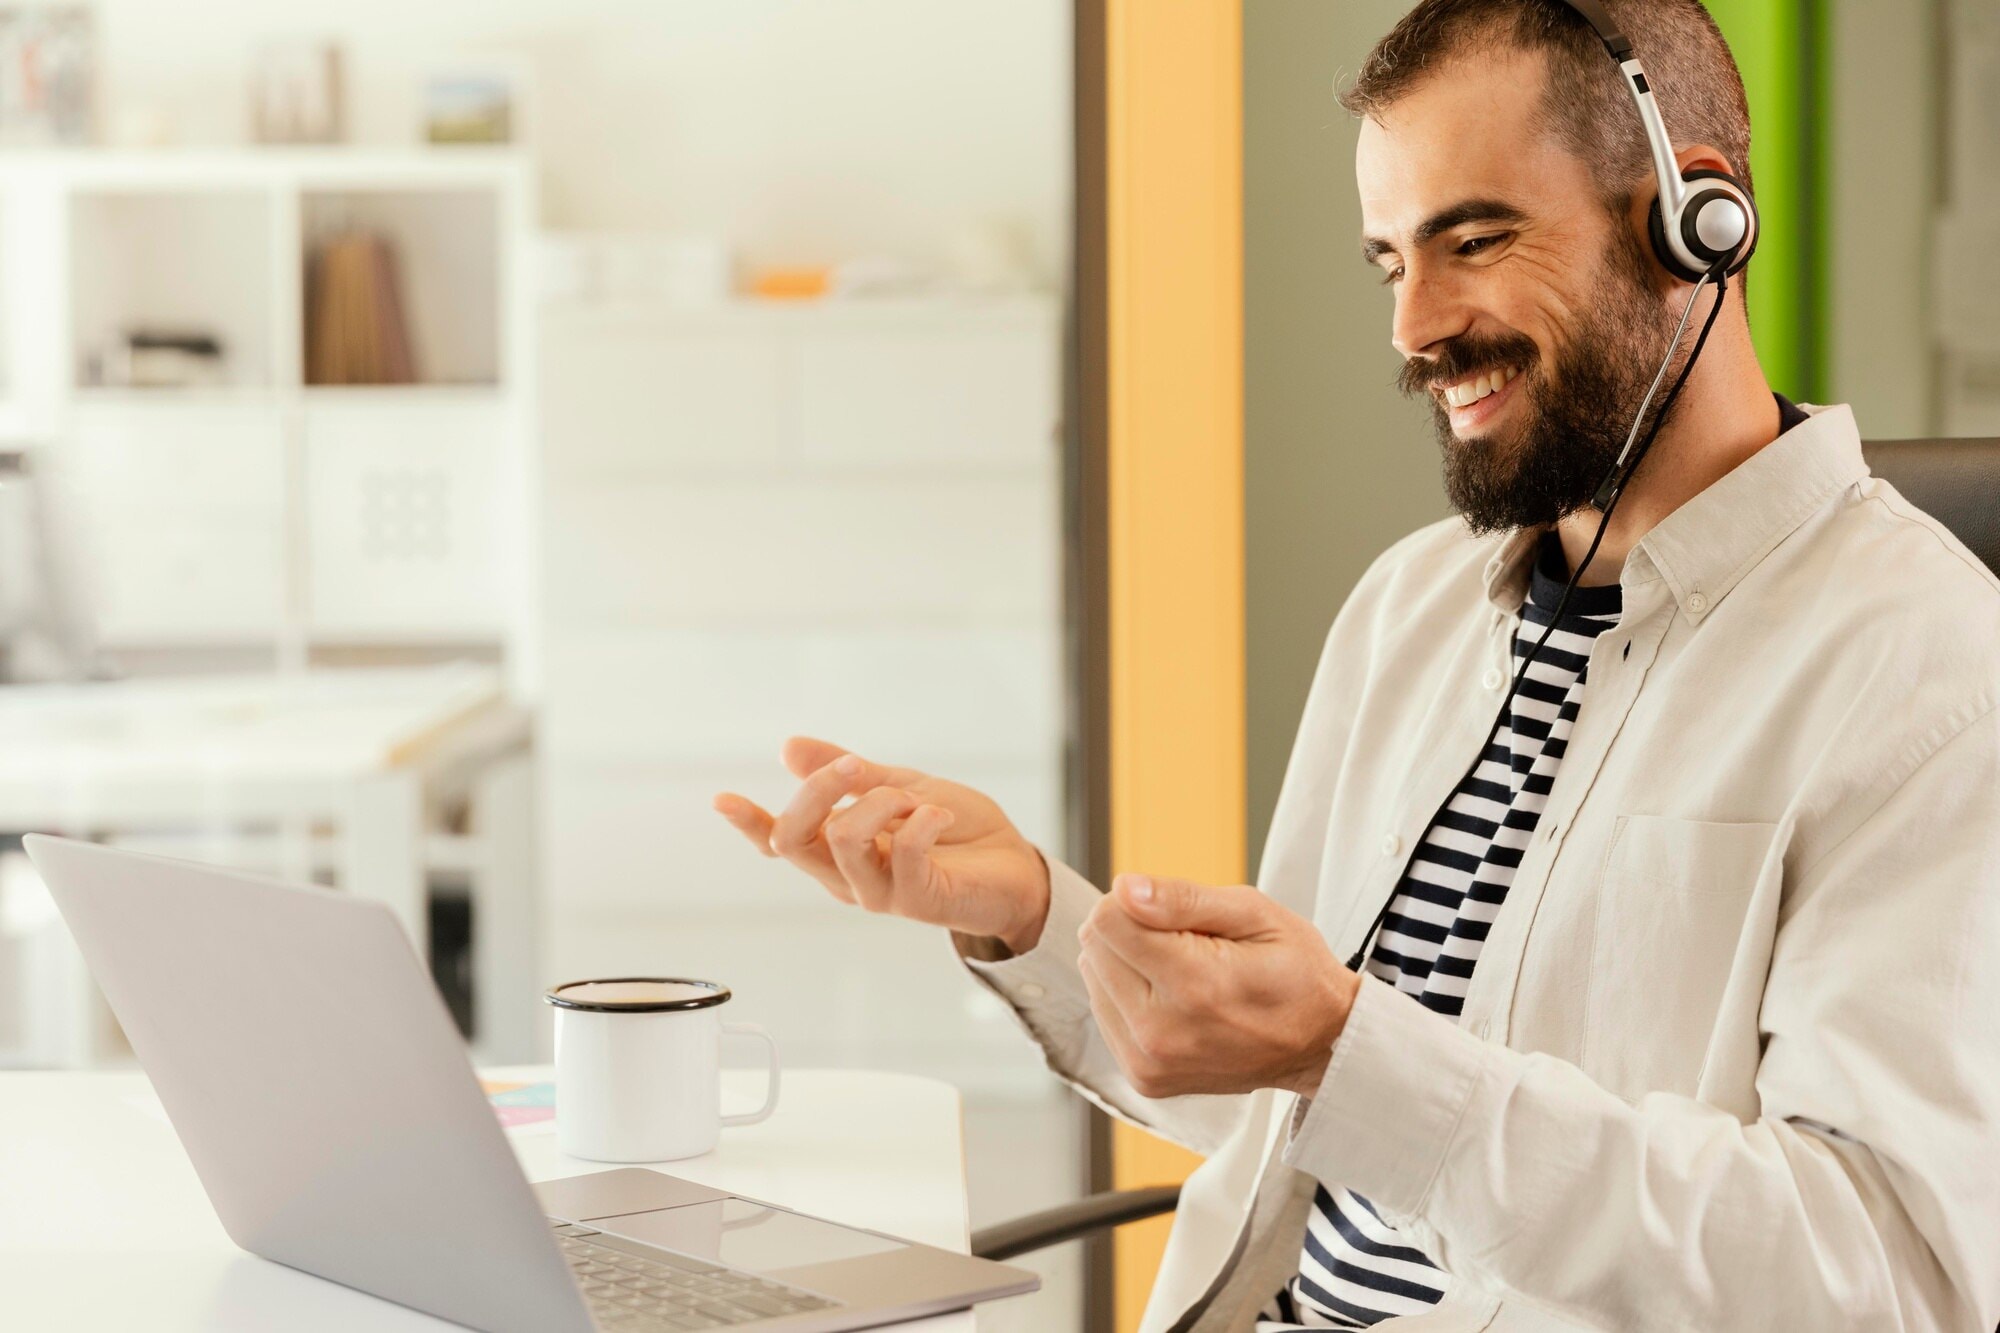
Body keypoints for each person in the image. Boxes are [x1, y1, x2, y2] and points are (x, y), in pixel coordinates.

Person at [715, 1, 2000, 1328]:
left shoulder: (1930, 676)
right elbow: (1297, 1101)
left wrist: (1347, 1050)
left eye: (1476, 238)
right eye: (1392, 260)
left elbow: (1888, 1277)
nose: (1416, 324)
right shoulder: (1412, 609)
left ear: (1698, 219)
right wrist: (1034, 913)